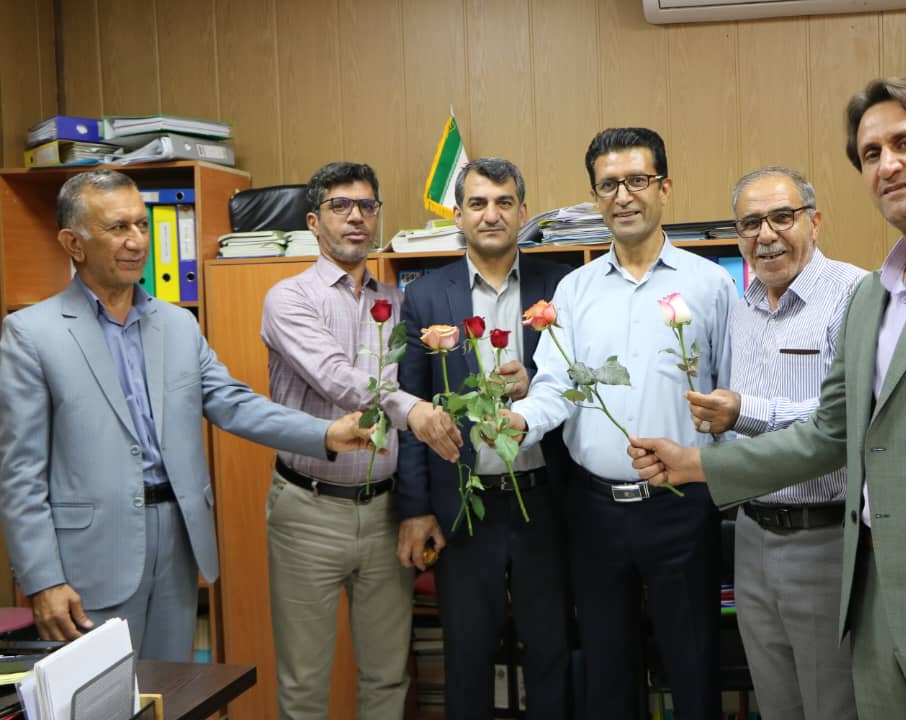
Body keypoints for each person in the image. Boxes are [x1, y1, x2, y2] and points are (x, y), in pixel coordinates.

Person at [630, 77, 906, 719]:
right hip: (874, 616)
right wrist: (698, 464)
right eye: (871, 153)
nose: (887, 164)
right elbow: (832, 433)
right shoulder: (875, 296)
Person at [0, 168, 377, 662]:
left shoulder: (178, 324)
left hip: (177, 542)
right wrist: (43, 579)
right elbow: (20, 473)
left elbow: (234, 403)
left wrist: (325, 433)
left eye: (142, 225)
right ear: (73, 243)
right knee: (101, 695)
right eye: (118, 228)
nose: (137, 241)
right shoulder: (32, 334)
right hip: (90, 555)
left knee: (172, 691)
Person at [508, 127, 738, 720]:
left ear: (665, 188)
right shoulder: (575, 289)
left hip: (682, 507)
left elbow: (733, 393)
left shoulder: (711, 284)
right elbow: (554, 385)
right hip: (595, 513)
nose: (623, 196)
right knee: (607, 675)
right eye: (608, 185)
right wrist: (519, 421)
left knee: (692, 667)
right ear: (595, 197)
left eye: (637, 180)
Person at [260, 161, 463, 720]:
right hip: (308, 511)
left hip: (385, 513)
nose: (356, 217)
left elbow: (423, 382)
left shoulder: (401, 303)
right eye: (340, 206)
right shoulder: (289, 299)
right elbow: (336, 378)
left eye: (367, 206)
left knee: (387, 677)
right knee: (304, 683)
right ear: (313, 221)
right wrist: (410, 408)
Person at [395, 157, 573, 720]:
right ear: (459, 215)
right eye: (477, 203)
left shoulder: (563, 285)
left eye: (503, 203)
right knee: (468, 659)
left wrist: (535, 380)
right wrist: (416, 508)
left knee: (552, 652)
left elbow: (581, 382)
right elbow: (411, 409)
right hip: (463, 507)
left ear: (523, 211)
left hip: (545, 501)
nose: (491, 215)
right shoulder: (426, 296)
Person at [687, 166, 864, 719]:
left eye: (782, 217)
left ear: (814, 221)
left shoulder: (854, 295)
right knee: (775, 703)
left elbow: (850, 419)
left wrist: (745, 412)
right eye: (750, 223)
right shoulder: (744, 307)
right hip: (751, 536)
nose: (766, 235)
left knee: (832, 704)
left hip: (825, 537)